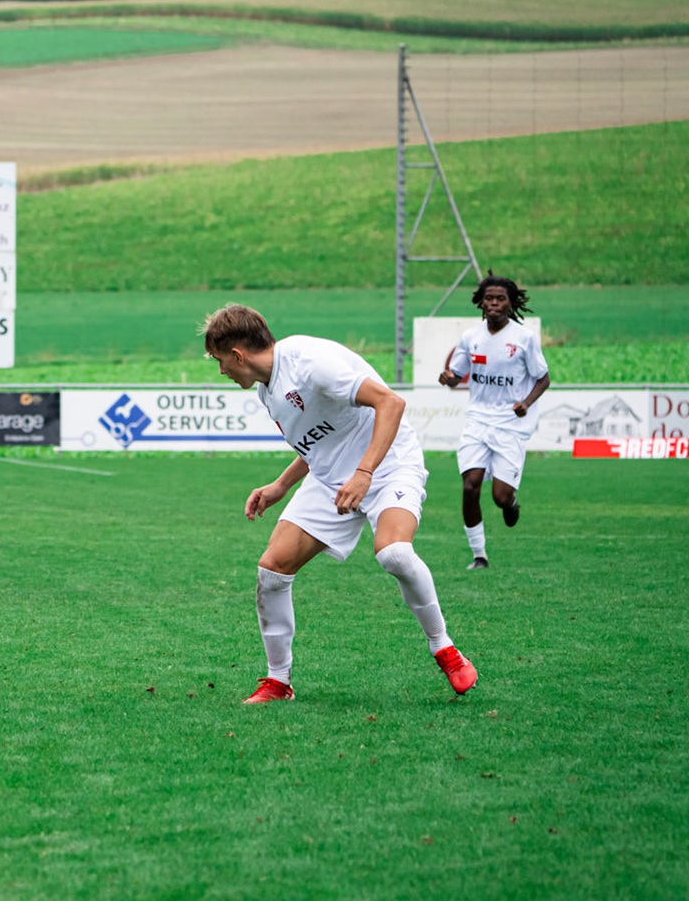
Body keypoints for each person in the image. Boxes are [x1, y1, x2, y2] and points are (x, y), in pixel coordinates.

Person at [201, 303, 477, 703]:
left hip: (387, 466)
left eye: (220, 361)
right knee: (272, 571)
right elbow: (320, 443)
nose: (222, 371)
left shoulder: (312, 362)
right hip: (332, 479)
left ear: (238, 355)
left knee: (395, 554)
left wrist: (364, 474)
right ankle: (278, 682)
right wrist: (280, 485)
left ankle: (444, 648)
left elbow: (391, 404)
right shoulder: (267, 388)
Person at [438, 277, 550, 570]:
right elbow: (455, 375)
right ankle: (479, 555)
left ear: (510, 303)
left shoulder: (523, 339)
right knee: (469, 486)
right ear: (481, 302)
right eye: (489, 298)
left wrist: (525, 402)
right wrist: (448, 378)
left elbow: (543, 378)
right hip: (478, 420)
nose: (494, 304)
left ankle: (510, 504)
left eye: (500, 298)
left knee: (499, 497)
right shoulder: (470, 337)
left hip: (510, 425)